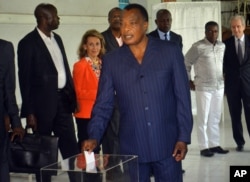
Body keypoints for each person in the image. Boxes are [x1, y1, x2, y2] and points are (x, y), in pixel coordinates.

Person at [83, 3, 193, 182]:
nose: (125, 28)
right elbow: (104, 104)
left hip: (168, 144)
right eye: (122, 23)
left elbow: (183, 98)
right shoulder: (112, 61)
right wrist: (94, 136)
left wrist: (183, 137)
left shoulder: (170, 52)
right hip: (132, 147)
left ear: (145, 25)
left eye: (132, 23)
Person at [17, 3, 79, 182]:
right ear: (44, 19)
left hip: (63, 103)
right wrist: (29, 113)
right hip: (41, 108)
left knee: (70, 148)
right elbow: (25, 80)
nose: (58, 19)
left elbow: (64, 70)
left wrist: (72, 98)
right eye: (55, 16)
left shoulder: (57, 38)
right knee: (44, 154)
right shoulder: (27, 43)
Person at [185, 21, 229, 157]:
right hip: (203, 87)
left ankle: (214, 144)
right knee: (203, 118)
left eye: (215, 31)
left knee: (215, 117)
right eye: (210, 31)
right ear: (205, 32)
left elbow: (224, 63)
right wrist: (188, 80)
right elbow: (186, 61)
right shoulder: (198, 47)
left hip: (219, 87)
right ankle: (204, 147)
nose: (213, 34)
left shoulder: (222, 46)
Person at [73, 29, 105, 152]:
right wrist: (100, 94)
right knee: (86, 147)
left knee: (97, 147)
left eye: (97, 44)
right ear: (85, 46)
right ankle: (86, 171)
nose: (94, 47)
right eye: (91, 44)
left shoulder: (104, 63)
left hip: (100, 112)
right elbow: (78, 91)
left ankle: (95, 170)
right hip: (85, 113)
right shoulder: (80, 65)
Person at [223, 15, 250, 152]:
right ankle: (239, 142)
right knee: (235, 115)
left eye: (238, 26)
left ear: (244, 27)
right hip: (232, 86)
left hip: (248, 85)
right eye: (233, 27)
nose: (236, 29)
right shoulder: (226, 44)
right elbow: (223, 65)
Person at [0, 39, 25, 182]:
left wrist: (14, 120)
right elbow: (8, 89)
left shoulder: (4, 48)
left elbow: (8, 89)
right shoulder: (4, 47)